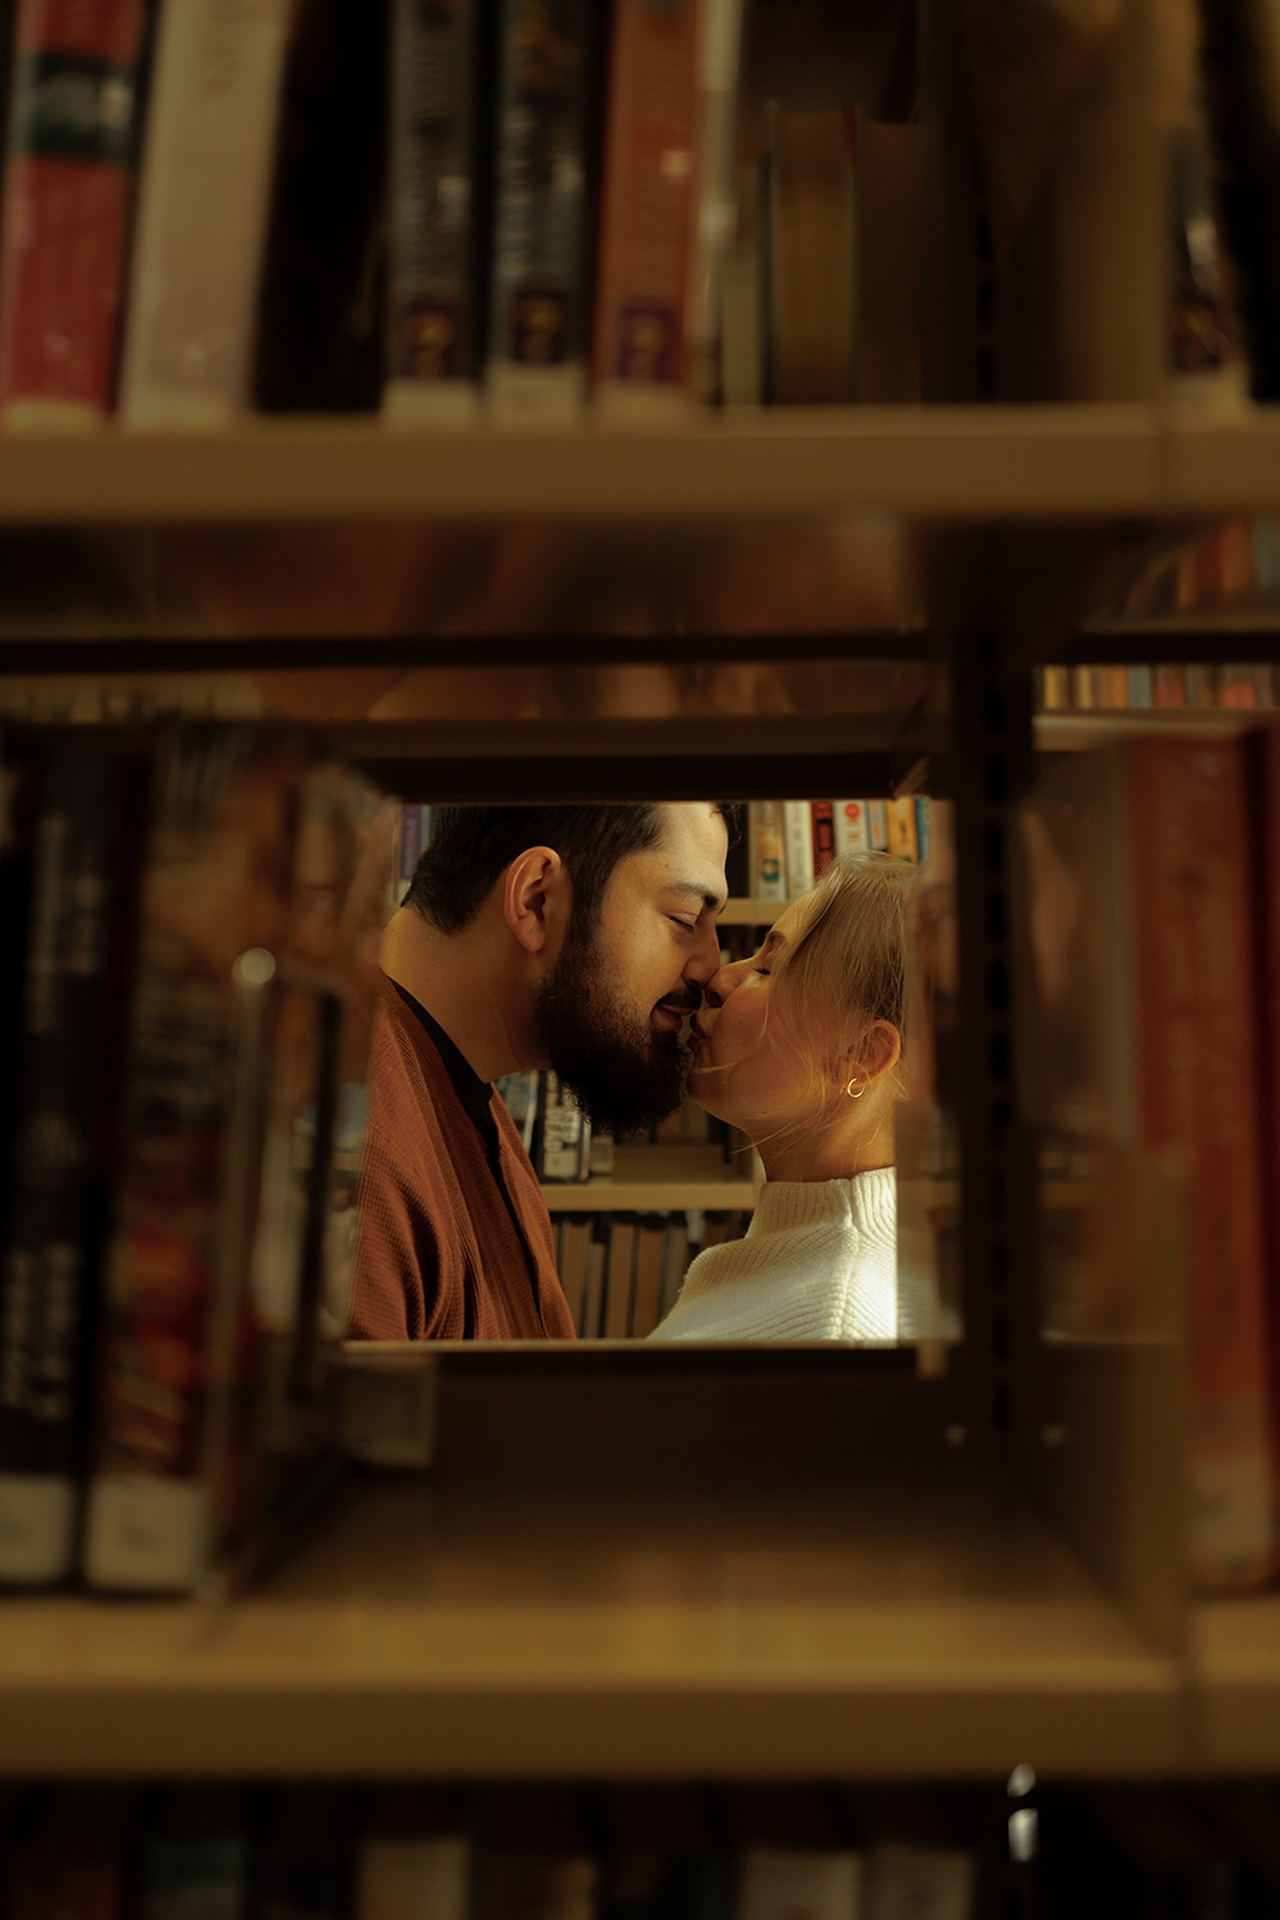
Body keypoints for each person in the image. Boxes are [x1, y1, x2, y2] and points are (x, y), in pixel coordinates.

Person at [349, 801, 731, 1341]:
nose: (712, 969)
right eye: (685, 920)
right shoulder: (359, 1150)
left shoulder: (472, 1108)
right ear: (537, 900)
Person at [650, 851, 934, 1343]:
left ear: (861, 1054)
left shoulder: (842, 1319)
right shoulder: (809, 1256)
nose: (719, 979)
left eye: (766, 969)